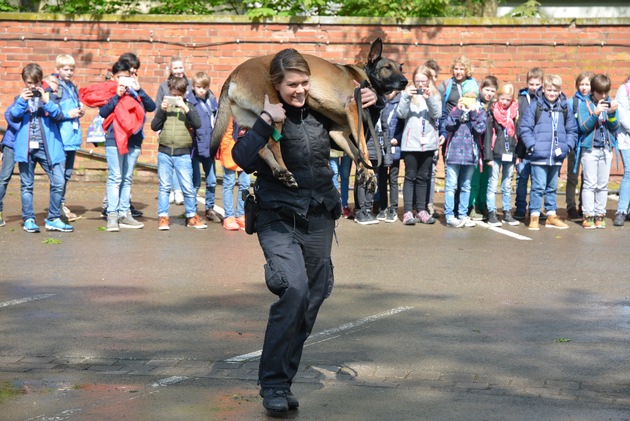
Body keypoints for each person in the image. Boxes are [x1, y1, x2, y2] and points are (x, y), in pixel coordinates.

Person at [231, 48, 379, 415]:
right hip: (277, 216)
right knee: (293, 289)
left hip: (319, 215)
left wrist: (369, 103)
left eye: (304, 83)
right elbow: (242, 157)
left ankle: (283, 377)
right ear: (276, 85)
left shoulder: (320, 112)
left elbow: (355, 131)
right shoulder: (259, 111)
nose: (299, 90)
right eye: (291, 85)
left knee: (312, 297)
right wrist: (267, 119)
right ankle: (274, 384)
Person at [81, 60, 156, 232]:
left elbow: (152, 107)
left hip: (134, 139)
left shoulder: (135, 93)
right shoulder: (110, 92)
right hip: (114, 138)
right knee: (115, 177)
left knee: (127, 178)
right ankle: (112, 216)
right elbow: (103, 112)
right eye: (119, 77)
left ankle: (124, 213)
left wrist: (139, 90)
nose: (123, 80)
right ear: (113, 77)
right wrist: (116, 95)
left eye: (126, 77)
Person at [10, 63, 72, 233]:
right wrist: (22, 101)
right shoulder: (19, 99)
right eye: (29, 82)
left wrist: (46, 101)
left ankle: (53, 218)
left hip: (48, 148)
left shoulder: (49, 97)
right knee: (27, 185)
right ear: (24, 82)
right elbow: (13, 116)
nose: (33, 86)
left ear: (40, 81)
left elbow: (59, 116)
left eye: (36, 82)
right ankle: (29, 218)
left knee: (58, 182)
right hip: (27, 149)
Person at [519, 74, 578, 230]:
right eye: (549, 90)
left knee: (552, 187)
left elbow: (572, 130)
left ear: (560, 91)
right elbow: (525, 128)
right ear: (543, 89)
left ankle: (551, 215)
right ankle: (534, 216)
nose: (552, 93)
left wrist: (568, 147)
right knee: (538, 187)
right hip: (539, 155)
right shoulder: (535, 106)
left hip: (557, 156)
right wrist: (533, 146)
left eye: (555, 90)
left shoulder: (565, 107)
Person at [151, 77, 206, 230]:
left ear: (184, 94)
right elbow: (154, 126)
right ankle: (163, 217)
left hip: (183, 153)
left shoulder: (189, 106)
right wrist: (161, 110)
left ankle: (191, 216)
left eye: (178, 95)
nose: (175, 98)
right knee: (164, 186)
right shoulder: (165, 108)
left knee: (188, 187)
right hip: (165, 152)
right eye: (172, 94)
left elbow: (197, 124)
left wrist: (186, 108)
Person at [396, 65, 441, 225]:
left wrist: (429, 99)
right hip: (411, 144)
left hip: (428, 144)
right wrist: (406, 97)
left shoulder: (435, 95)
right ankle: (408, 211)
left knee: (423, 177)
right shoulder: (407, 95)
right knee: (410, 176)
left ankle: (421, 210)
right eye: (417, 81)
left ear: (429, 80)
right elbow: (400, 114)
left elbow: (437, 115)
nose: (420, 85)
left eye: (423, 81)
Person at [576, 74, 619, 229]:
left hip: (606, 149)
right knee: (590, 184)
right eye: (600, 92)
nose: (603, 96)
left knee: (602, 185)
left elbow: (614, 128)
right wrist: (595, 114)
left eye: (606, 92)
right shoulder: (584, 104)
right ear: (593, 91)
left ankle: (600, 214)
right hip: (590, 150)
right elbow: (583, 127)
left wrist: (612, 114)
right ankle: (588, 215)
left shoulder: (609, 104)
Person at [443, 79, 486, 228]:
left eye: (473, 97)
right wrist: (459, 110)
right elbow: (448, 125)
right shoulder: (456, 109)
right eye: (467, 96)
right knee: (451, 185)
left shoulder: (480, 111)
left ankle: (462, 214)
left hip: (470, 154)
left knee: (466, 186)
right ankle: (449, 216)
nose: (470, 99)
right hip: (454, 154)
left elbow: (480, 129)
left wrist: (473, 113)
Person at [186, 71, 224, 223]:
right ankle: (192, 210)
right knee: (195, 182)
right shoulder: (189, 102)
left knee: (212, 180)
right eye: (198, 87)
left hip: (209, 146)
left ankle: (209, 208)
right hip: (195, 147)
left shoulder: (212, 101)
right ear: (194, 87)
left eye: (204, 87)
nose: (201, 90)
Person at [155, 56, 192, 206]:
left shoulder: (189, 86)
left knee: (180, 161)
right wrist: (158, 128)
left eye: (180, 68)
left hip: (183, 127)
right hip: (167, 126)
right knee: (167, 162)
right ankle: (170, 190)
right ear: (170, 70)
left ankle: (179, 190)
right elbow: (159, 106)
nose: (178, 71)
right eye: (175, 68)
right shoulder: (164, 86)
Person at [53, 54, 85, 222]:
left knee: (67, 173)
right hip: (60, 137)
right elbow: (50, 110)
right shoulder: (55, 86)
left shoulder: (71, 86)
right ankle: (57, 208)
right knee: (59, 174)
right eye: (66, 69)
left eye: (72, 69)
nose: (69, 72)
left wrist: (80, 110)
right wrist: (67, 114)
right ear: (57, 69)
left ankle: (61, 204)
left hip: (71, 138)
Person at [484, 83, 520, 226]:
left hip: (510, 153)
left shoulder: (515, 113)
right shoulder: (492, 112)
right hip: (496, 153)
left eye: (508, 99)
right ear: (498, 97)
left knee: (507, 184)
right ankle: (491, 212)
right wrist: (488, 156)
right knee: (493, 184)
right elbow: (488, 135)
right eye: (502, 99)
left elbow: (517, 135)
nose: (505, 102)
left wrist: (517, 155)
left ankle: (506, 212)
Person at [514, 67, 544, 220]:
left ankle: (535, 209)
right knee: (522, 179)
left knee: (538, 182)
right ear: (527, 83)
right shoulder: (520, 100)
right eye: (531, 84)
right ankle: (520, 208)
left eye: (537, 84)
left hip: (539, 149)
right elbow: (518, 127)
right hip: (522, 148)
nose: (534, 87)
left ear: (542, 84)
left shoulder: (544, 101)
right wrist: (518, 152)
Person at [468, 75, 498, 221]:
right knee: (475, 178)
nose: (489, 93)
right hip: (476, 146)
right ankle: (471, 206)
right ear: (481, 89)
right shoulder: (475, 104)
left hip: (490, 149)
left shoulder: (495, 107)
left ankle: (482, 204)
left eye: (492, 91)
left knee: (486, 179)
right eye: (487, 89)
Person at [566, 71, 595, 221]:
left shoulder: (594, 101)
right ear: (577, 85)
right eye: (581, 84)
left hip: (589, 145)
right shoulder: (573, 102)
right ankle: (570, 206)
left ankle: (584, 205)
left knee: (588, 178)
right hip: (575, 145)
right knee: (572, 177)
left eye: (587, 84)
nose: (584, 88)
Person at [374, 90, 404, 223]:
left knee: (393, 179)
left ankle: (393, 209)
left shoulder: (401, 103)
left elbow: (404, 127)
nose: (388, 92)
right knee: (381, 178)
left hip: (394, 148)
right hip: (381, 147)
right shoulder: (380, 102)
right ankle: (383, 207)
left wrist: (398, 139)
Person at [218, 117, 250, 230]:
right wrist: (226, 149)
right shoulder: (230, 111)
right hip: (230, 150)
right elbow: (225, 133)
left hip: (245, 150)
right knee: (229, 183)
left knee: (245, 184)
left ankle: (240, 215)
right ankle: (229, 216)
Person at [614, 72, 630, 226]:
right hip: (627, 139)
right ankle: (621, 210)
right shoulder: (624, 89)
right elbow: (622, 115)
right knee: (629, 172)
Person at [0, 103, 20, 227]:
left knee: (27, 182)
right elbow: (8, 115)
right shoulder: (19, 102)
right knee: (4, 177)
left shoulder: (43, 103)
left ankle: (29, 216)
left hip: (32, 146)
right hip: (12, 144)